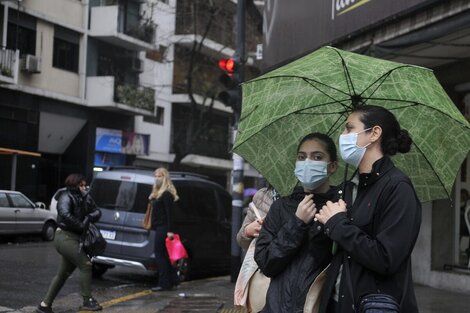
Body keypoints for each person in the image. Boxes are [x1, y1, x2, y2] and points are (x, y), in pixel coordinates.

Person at [314, 105, 422, 313]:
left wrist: (337, 223)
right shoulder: (348, 187)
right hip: (337, 302)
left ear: (374, 133)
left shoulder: (398, 188)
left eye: (349, 128)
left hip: (373, 306)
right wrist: (320, 224)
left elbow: (386, 258)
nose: (342, 136)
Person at [254, 132, 342, 312]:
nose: (308, 163)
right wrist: (297, 222)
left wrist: (333, 222)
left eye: (317, 157)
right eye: (302, 157)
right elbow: (266, 263)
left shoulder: (339, 209)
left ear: (332, 166)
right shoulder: (281, 207)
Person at [36, 174, 102, 313]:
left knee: (63, 273)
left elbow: (97, 211)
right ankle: (87, 300)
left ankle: (44, 305)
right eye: (81, 185)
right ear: (74, 185)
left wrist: (90, 216)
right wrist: (81, 225)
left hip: (76, 238)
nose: (84, 188)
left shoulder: (85, 197)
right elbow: (65, 214)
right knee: (86, 264)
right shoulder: (66, 196)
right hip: (64, 236)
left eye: (85, 185)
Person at [150, 167, 180, 292]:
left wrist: (170, 230)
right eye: (156, 176)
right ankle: (170, 282)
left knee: (160, 256)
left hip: (164, 228)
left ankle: (163, 283)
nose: (157, 178)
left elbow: (170, 213)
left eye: (160, 176)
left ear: (165, 178)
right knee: (165, 256)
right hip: (160, 227)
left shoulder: (166, 194)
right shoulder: (158, 193)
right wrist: (152, 199)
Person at [237, 186, 276, 251]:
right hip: (259, 257)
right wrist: (248, 231)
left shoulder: (298, 202)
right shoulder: (261, 195)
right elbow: (240, 240)